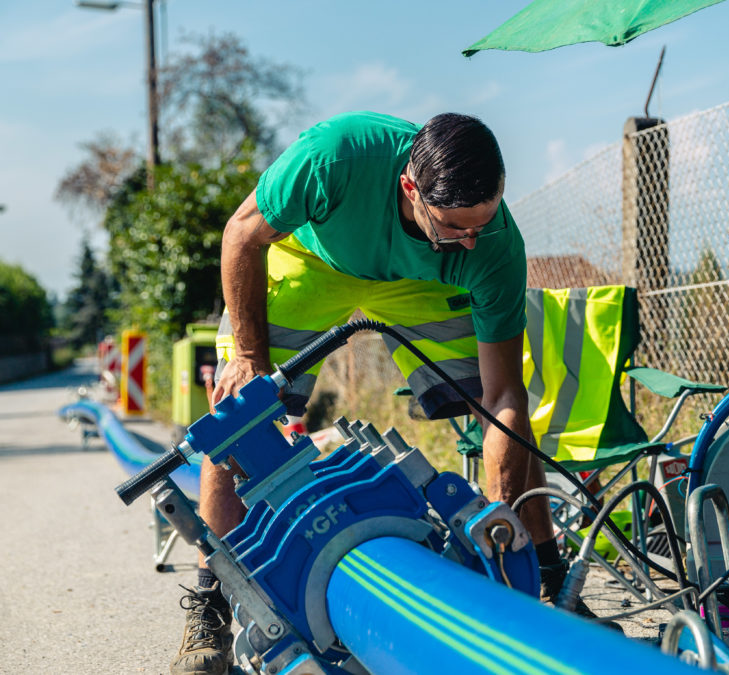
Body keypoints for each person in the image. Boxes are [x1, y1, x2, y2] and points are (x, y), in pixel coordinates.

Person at [170, 111, 583, 675]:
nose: (470, 240)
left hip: (418, 282)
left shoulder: (490, 249)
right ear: (409, 187)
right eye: (454, 228)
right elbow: (241, 234)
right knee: (238, 413)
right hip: (312, 260)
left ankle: (549, 575)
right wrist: (247, 360)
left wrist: (500, 537)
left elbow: (502, 394)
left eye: (481, 226)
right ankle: (209, 604)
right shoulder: (335, 159)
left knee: (507, 419)